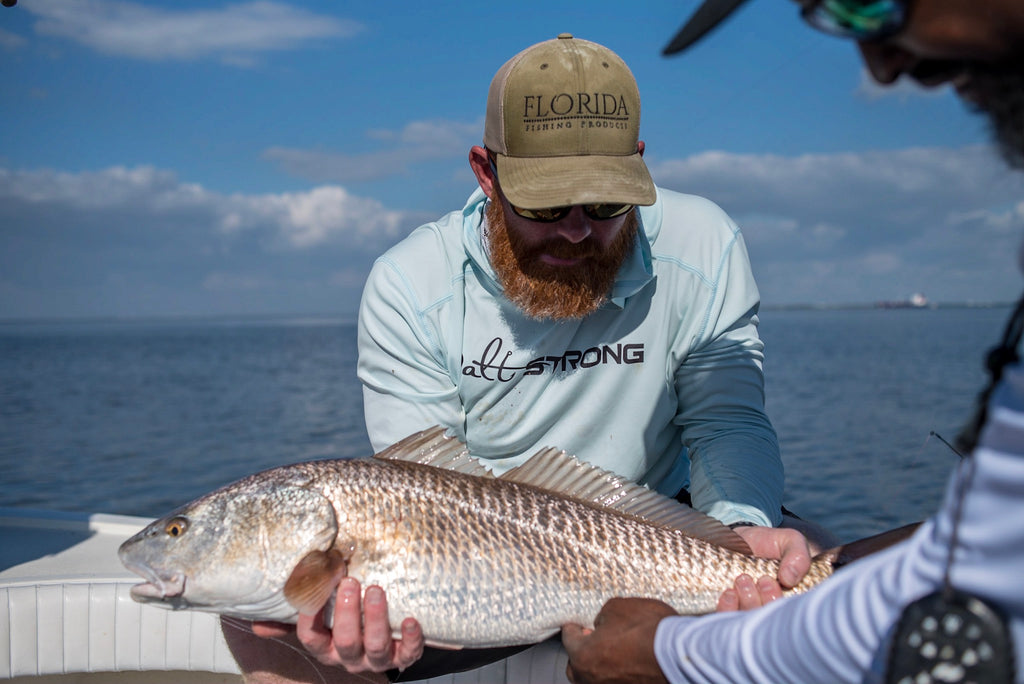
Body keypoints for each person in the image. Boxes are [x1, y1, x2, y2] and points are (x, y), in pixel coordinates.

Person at [235, 32, 831, 684]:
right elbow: (422, 484)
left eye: (606, 201)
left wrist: (736, 531)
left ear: (638, 163)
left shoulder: (702, 241)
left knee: (828, 575)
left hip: (665, 523)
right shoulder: (410, 283)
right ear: (484, 173)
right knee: (258, 617)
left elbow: (727, 420)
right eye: (544, 203)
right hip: (470, 553)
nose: (576, 230)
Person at [561, 1, 1024, 683]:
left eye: (866, 2)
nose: (882, 64)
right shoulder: (410, 282)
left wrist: (662, 653)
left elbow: (986, 590)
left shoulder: (703, 239)